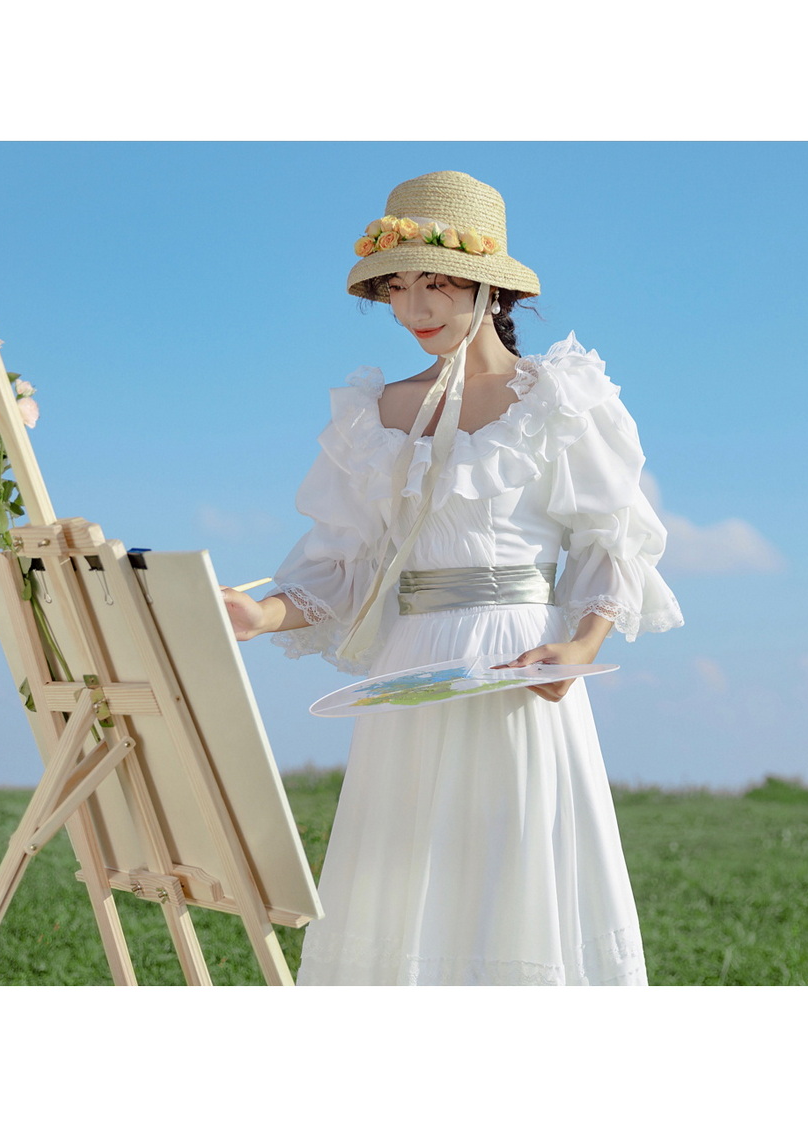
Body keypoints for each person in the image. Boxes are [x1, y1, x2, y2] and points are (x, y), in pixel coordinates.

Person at [221, 170, 683, 985]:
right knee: (403, 871)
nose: (413, 309)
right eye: (397, 287)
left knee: (515, 863)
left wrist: (582, 645)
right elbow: (345, 559)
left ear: (487, 285)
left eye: (434, 283)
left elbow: (609, 535)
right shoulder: (374, 412)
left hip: (518, 660)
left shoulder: (558, 398)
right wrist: (259, 614)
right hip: (413, 662)